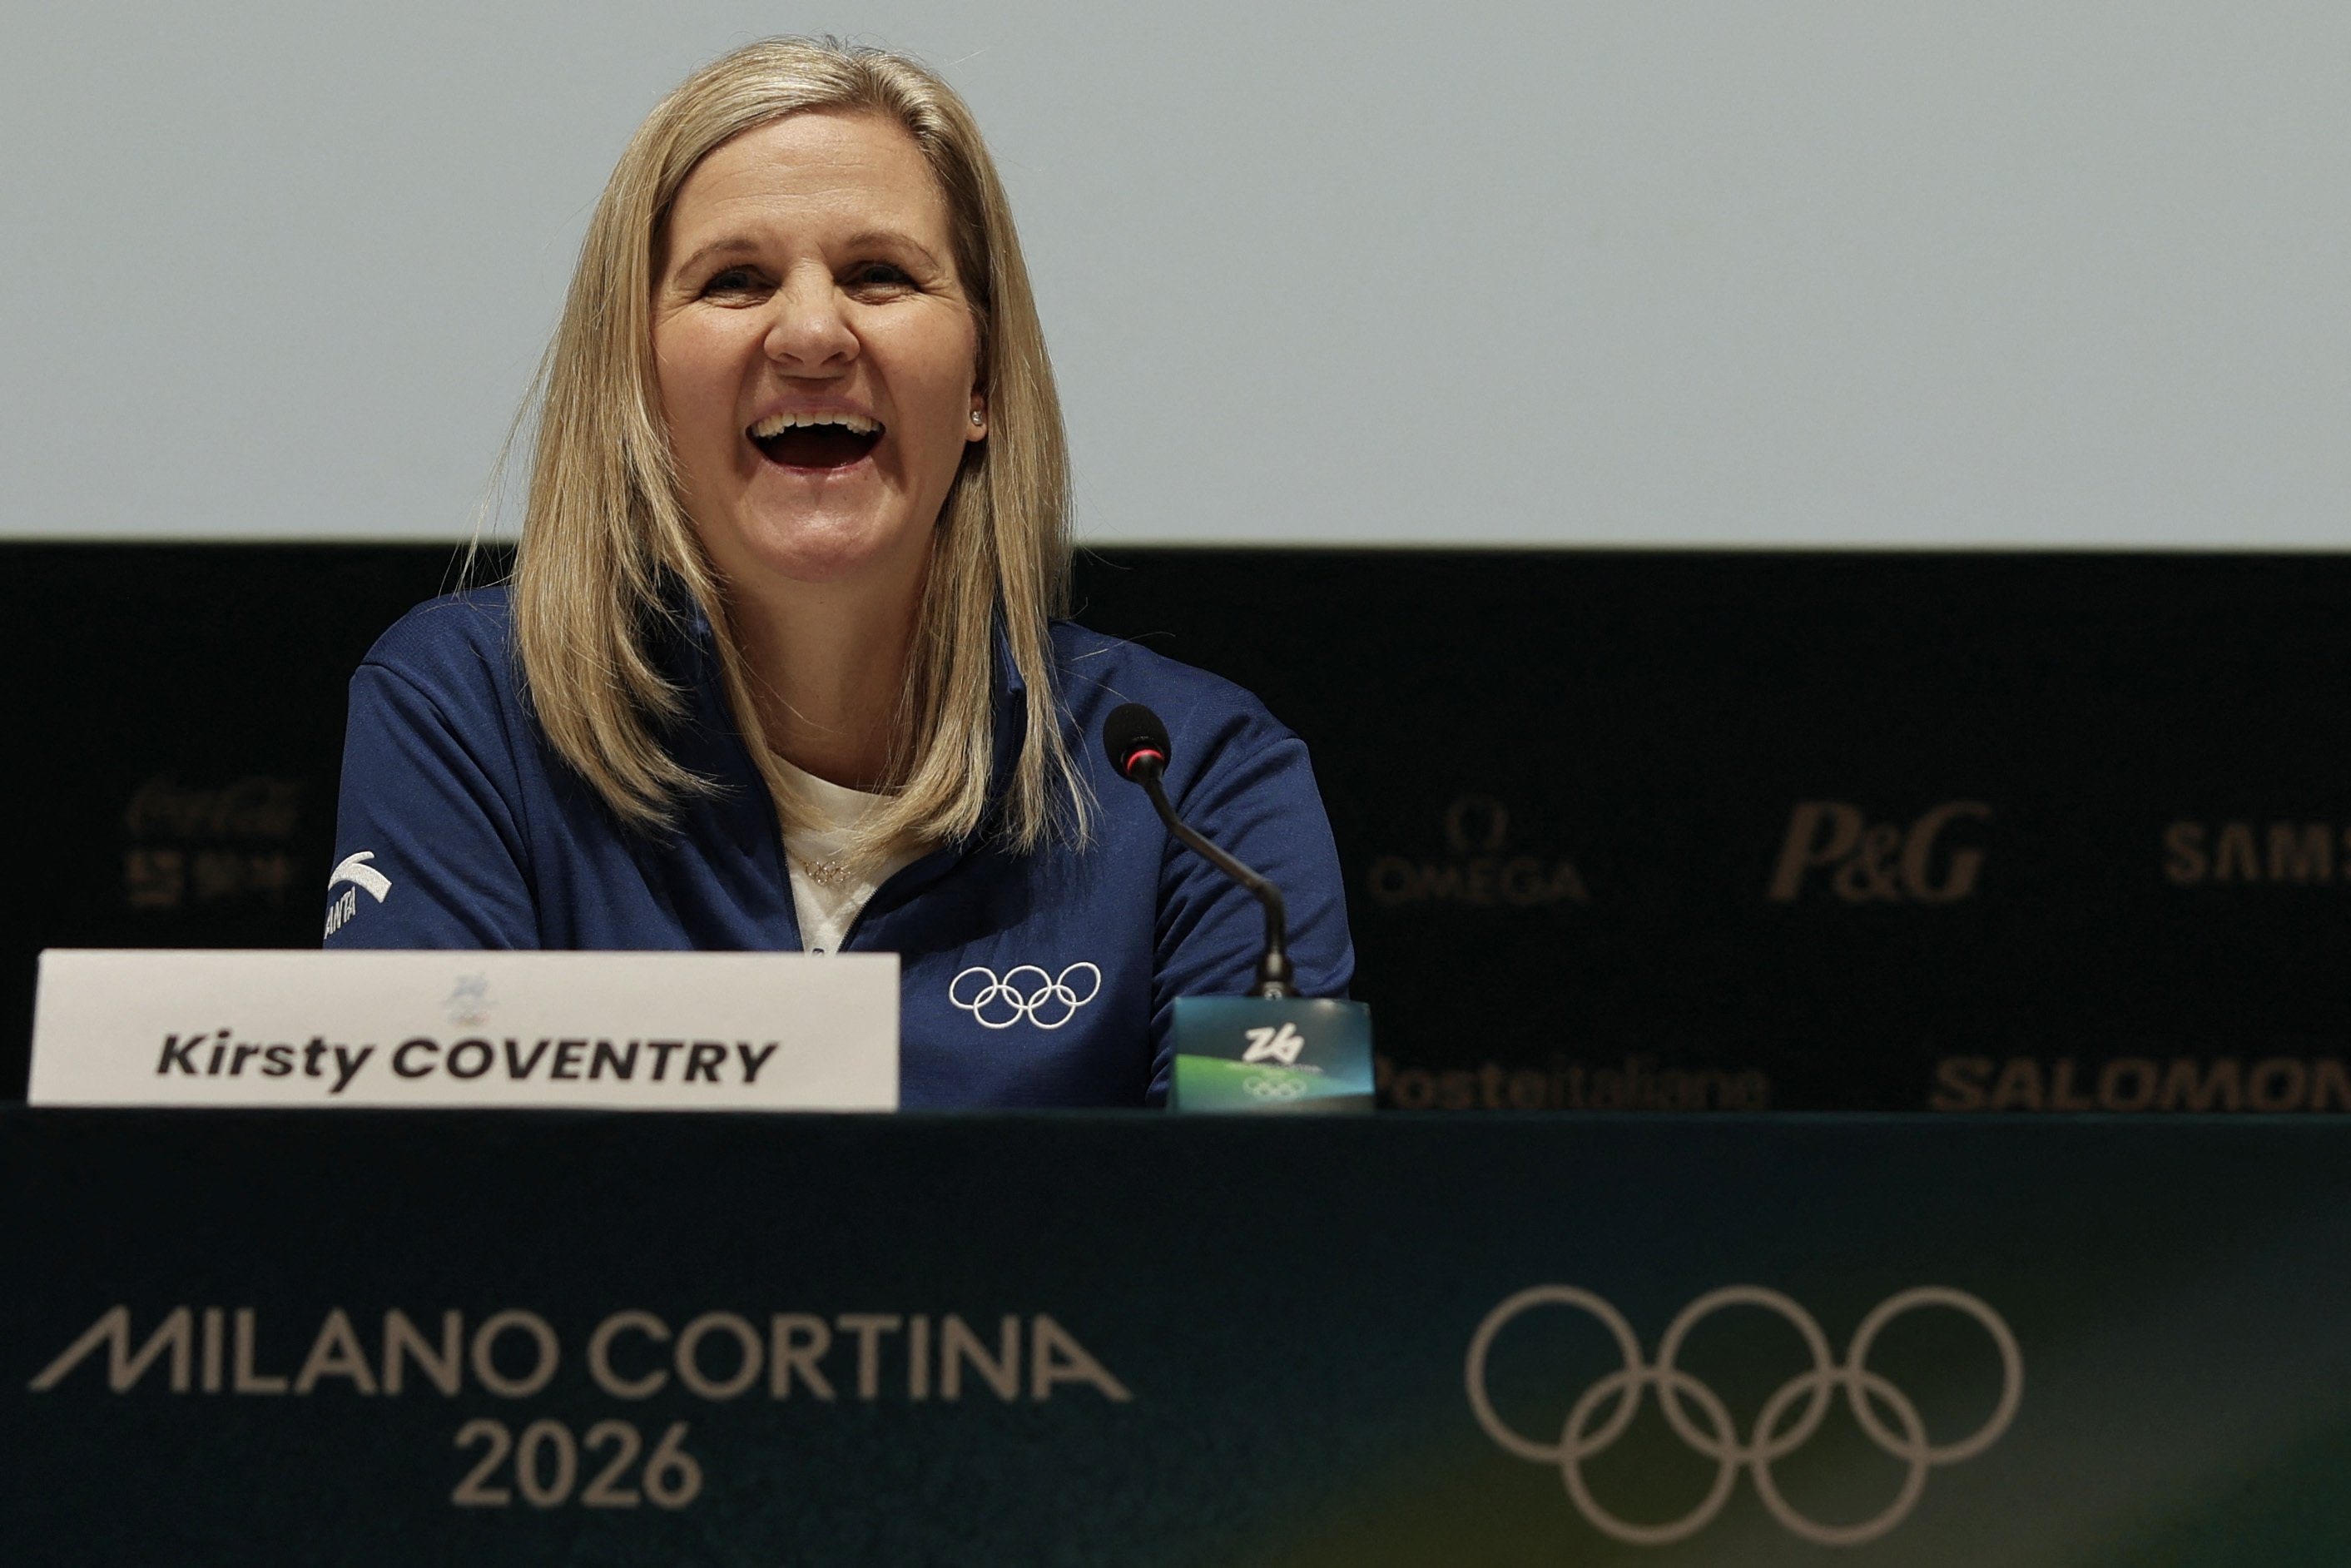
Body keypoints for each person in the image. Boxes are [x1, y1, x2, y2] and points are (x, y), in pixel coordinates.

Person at [324, 37, 1352, 1107]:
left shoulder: (1207, 785)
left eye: (879, 276)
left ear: (982, 382)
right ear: (637, 383)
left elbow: (1284, 1199)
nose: (812, 333)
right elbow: (421, 1177)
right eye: (734, 281)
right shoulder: (466, 709)